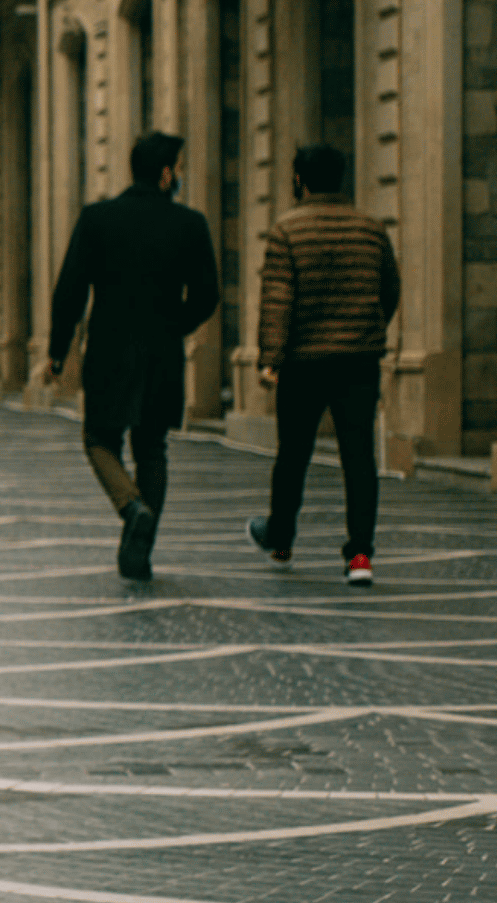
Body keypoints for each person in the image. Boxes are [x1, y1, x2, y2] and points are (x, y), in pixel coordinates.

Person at [47, 130, 221, 580]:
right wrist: (174, 326)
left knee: (99, 439)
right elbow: (207, 296)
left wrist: (57, 349)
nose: (181, 176)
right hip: (163, 351)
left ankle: (131, 507)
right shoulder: (191, 224)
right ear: (165, 175)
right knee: (153, 448)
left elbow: (69, 290)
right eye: (179, 169)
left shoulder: (97, 218)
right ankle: (138, 552)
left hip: (109, 348)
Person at [246, 143, 398, 586]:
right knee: (359, 458)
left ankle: (282, 539)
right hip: (358, 362)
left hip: (304, 362)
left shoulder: (287, 229)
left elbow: (278, 299)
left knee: (293, 454)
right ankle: (360, 557)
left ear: (300, 180)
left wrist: (270, 359)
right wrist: (368, 329)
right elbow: (390, 287)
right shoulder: (370, 228)